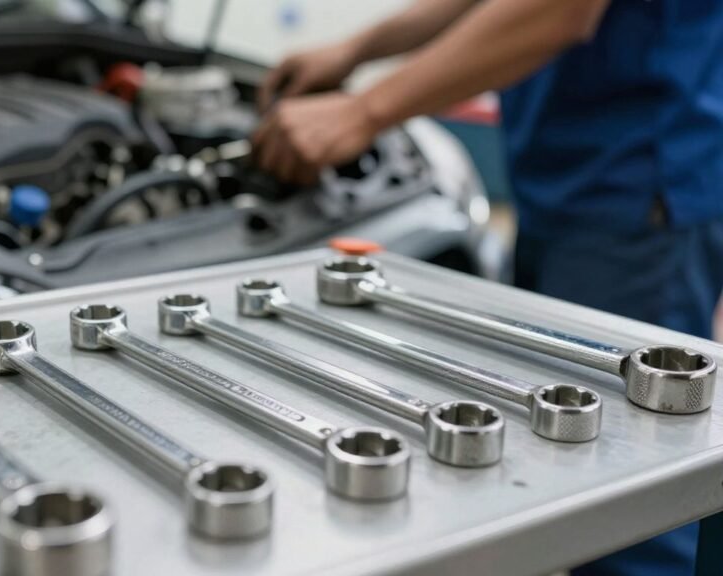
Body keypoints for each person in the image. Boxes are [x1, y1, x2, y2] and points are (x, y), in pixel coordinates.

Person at [253, 1, 723, 575]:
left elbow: (560, 10)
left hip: (637, 194)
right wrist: (360, 49)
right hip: (566, 183)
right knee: (566, 463)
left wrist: (365, 110)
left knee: (633, 511)